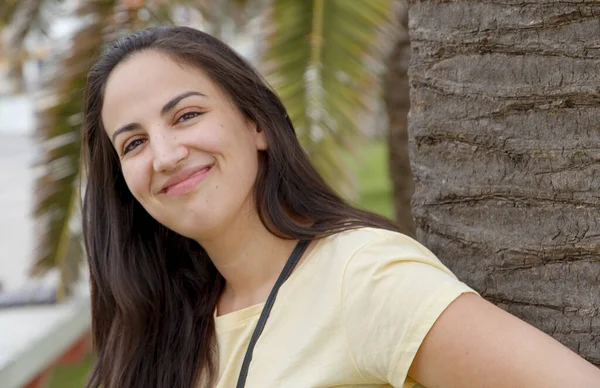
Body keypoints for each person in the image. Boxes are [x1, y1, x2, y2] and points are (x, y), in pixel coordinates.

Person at [81, 26, 600, 388]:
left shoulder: (362, 275)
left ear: (256, 124)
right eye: (133, 144)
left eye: (187, 115)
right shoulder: (161, 323)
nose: (165, 155)